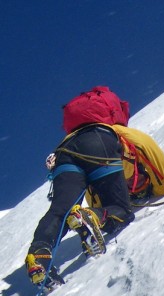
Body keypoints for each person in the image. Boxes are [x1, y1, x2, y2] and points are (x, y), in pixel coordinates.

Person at [25, 123, 136, 287]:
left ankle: (39, 254)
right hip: (99, 142)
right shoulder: (112, 126)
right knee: (122, 210)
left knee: (60, 211)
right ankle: (91, 216)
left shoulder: (71, 135)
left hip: (63, 153)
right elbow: (138, 141)